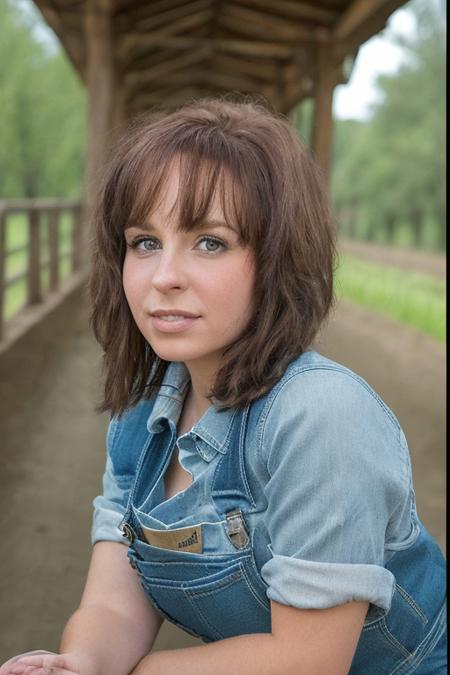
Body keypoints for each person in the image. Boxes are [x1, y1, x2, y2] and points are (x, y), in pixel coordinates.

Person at [1, 98, 446, 675]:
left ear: (278, 260)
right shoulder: (142, 415)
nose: (164, 277)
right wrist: (81, 664)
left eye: (209, 242)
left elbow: (306, 661)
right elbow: (114, 605)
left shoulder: (323, 417)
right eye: (144, 242)